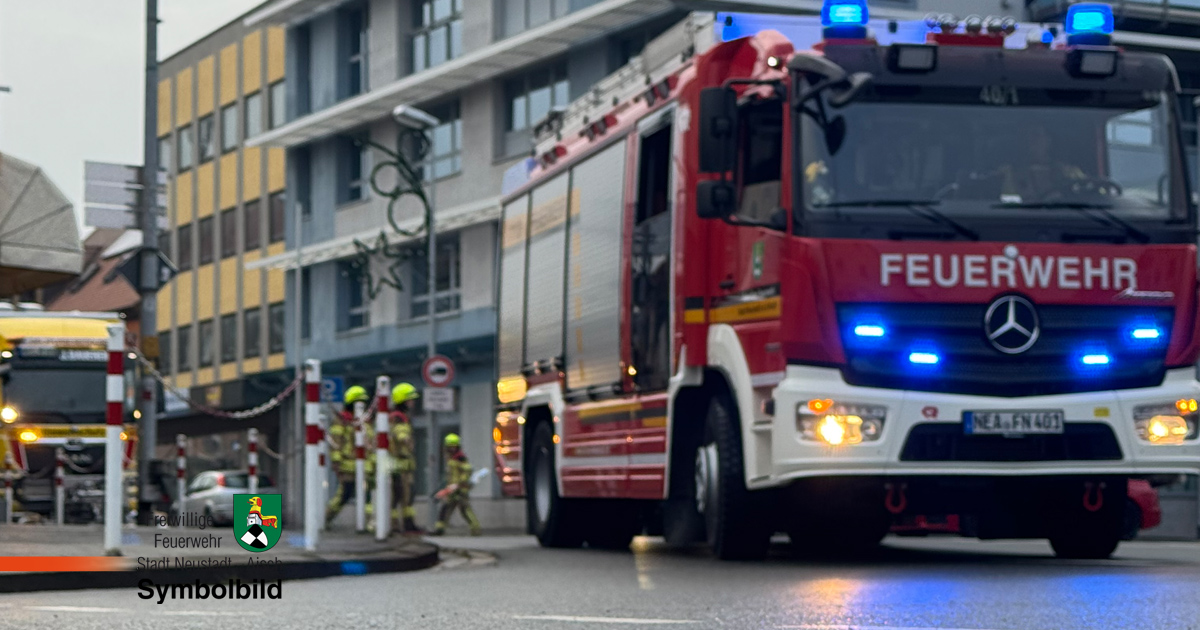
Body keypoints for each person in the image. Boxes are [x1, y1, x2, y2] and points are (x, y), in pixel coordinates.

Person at [997, 123, 1088, 201]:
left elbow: (1086, 196)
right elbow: (1008, 204)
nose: (1031, 140)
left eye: (1036, 135)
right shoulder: (1011, 174)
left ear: (1048, 140)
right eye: (1026, 136)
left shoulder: (1068, 172)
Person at [325, 385, 375, 526]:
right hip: (348, 464)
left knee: (368, 496)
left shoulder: (365, 421)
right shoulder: (342, 420)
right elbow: (336, 442)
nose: (361, 406)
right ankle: (326, 517)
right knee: (345, 494)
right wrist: (337, 462)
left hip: (366, 465)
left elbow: (371, 443)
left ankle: (368, 523)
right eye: (358, 402)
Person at [430, 433, 481, 536]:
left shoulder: (460, 458)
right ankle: (439, 529)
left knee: (465, 510)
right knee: (445, 509)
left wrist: (459, 484)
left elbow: (467, 472)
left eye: (453, 446)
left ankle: (476, 529)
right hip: (452, 488)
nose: (451, 448)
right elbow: (450, 475)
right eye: (449, 446)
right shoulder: (451, 458)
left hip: (460, 489)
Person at [389, 382, 421, 533]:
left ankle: (405, 524)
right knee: (402, 495)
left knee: (404, 496)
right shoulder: (398, 418)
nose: (412, 402)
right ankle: (402, 525)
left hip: (403, 464)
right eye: (410, 399)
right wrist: (406, 440)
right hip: (400, 464)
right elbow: (401, 434)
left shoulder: (400, 417)